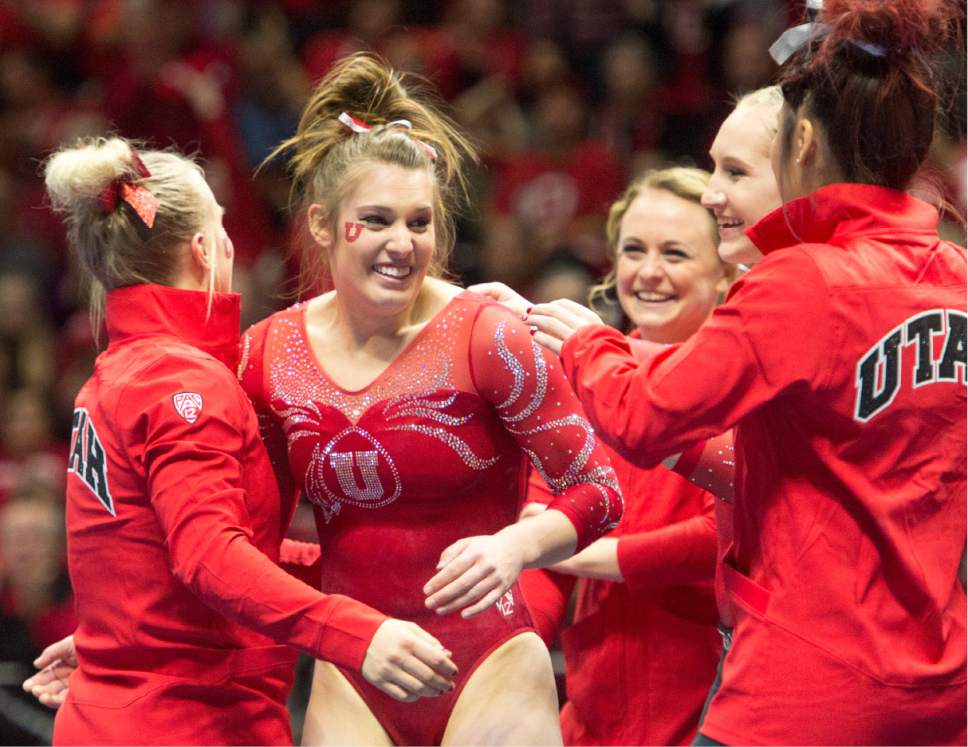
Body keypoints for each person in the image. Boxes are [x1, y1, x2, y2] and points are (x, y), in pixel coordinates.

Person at [508, 1, 968, 743]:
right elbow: (814, 449)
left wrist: (592, 344)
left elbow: (641, 416)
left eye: (738, 166)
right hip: (939, 681)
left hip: (807, 679)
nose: (715, 191)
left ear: (806, 142)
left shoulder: (803, 280)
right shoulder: (954, 274)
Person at [239, 52, 623, 746]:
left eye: (419, 223)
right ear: (324, 225)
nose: (401, 244)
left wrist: (517, 545)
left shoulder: (487, 338)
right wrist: (122, 636)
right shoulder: (268, 356)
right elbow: (238, 529)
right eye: (378, 220)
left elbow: (598, 488)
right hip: (355, 668)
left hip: (491, 662)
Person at [37, 136, 458, 745]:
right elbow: (209, 557)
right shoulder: (181, 383)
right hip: (190, 722)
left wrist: (376, 568)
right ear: (208, 250)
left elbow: (140, 551)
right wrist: (359, 635)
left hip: (123, 714)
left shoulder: (116, 375)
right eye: (223, 223)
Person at [519, 167, 734, 746]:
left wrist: (584, 555)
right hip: (595, 708)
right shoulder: (581, 379)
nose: (649, 272)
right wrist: (516, 654)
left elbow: (720, 537)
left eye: (676, 253)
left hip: (711, 702)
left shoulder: (744, 378)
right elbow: (538, 527)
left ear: (726, 273)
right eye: (634, 250)